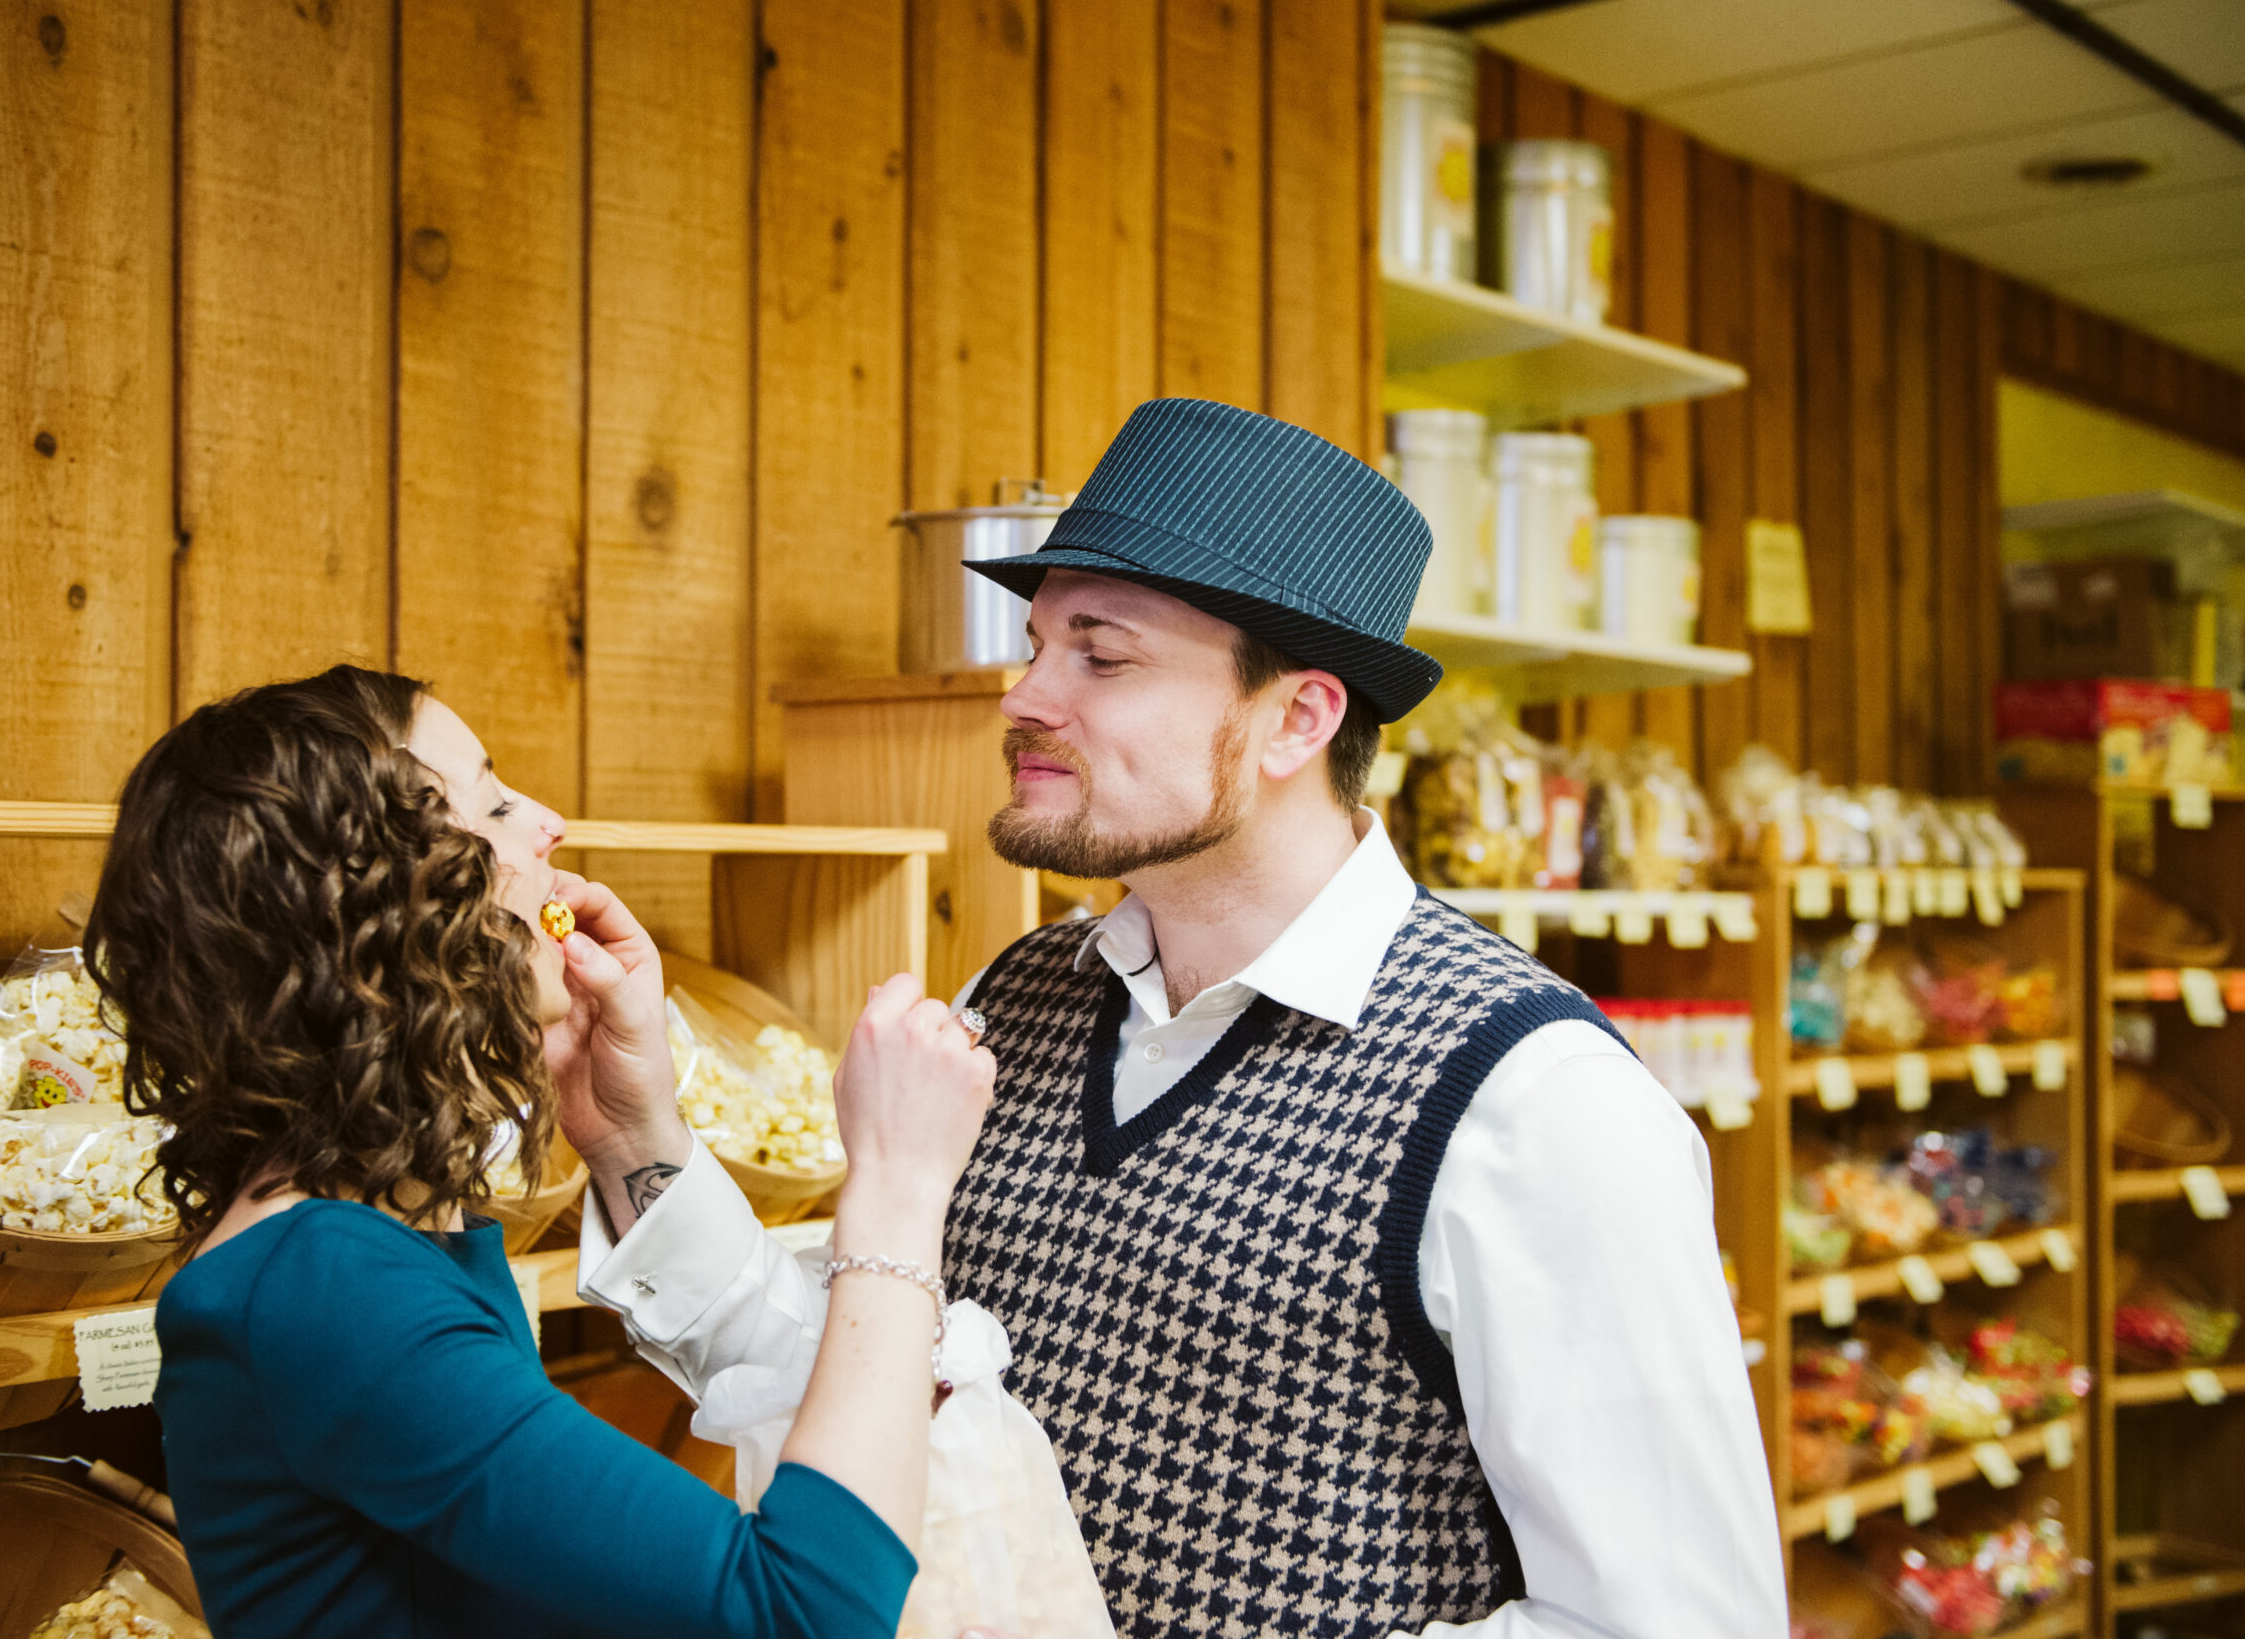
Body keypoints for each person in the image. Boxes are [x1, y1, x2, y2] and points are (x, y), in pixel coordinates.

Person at [574, 399, 1790, 1637]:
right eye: (1037, 641)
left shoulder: (1535, 1099)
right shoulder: (1020, 995)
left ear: (1297, 719)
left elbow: (1677, 1621)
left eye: (1100, 656)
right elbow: (862, 1377)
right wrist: (634, 1132)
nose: (1024, 695)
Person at [86, 665, 997, 1638]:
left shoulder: (376, 1238)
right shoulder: (329, 1285)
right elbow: (807, 1612)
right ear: (378, 908)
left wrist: (620, 1128)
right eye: (492, 800)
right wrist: (898, 1184)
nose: (549, 821)